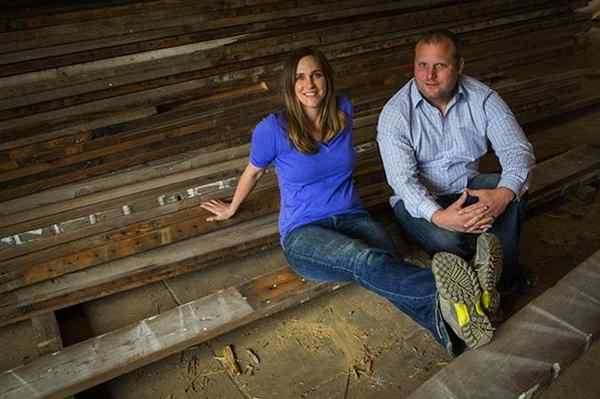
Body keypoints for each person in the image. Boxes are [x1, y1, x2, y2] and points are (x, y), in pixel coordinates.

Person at [201, 47, 499, 354]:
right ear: (290, 85)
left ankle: (454, 327)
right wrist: (231, 208)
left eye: (316, 75)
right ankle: (465, 298)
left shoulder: (344, 111)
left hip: (353, 217)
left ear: (327, 78)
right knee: (366, 259)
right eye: (300, 78)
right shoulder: (272, 129)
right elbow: (253, 173)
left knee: (384, 263)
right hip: (304, 231)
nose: (310, 84)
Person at [377, 29, 535, 316]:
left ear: (459, 65)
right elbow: (402, 181)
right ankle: (477, 280)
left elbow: (517, 150)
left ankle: (502, 281)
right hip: (421, 203)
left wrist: (501, 195)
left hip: (467, 188)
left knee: (513, 194)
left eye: (440, 65)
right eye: (422, 65)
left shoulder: (483, 99)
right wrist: (439, 216)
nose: (429, 75)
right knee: (447, 238)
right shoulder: (395, 113)